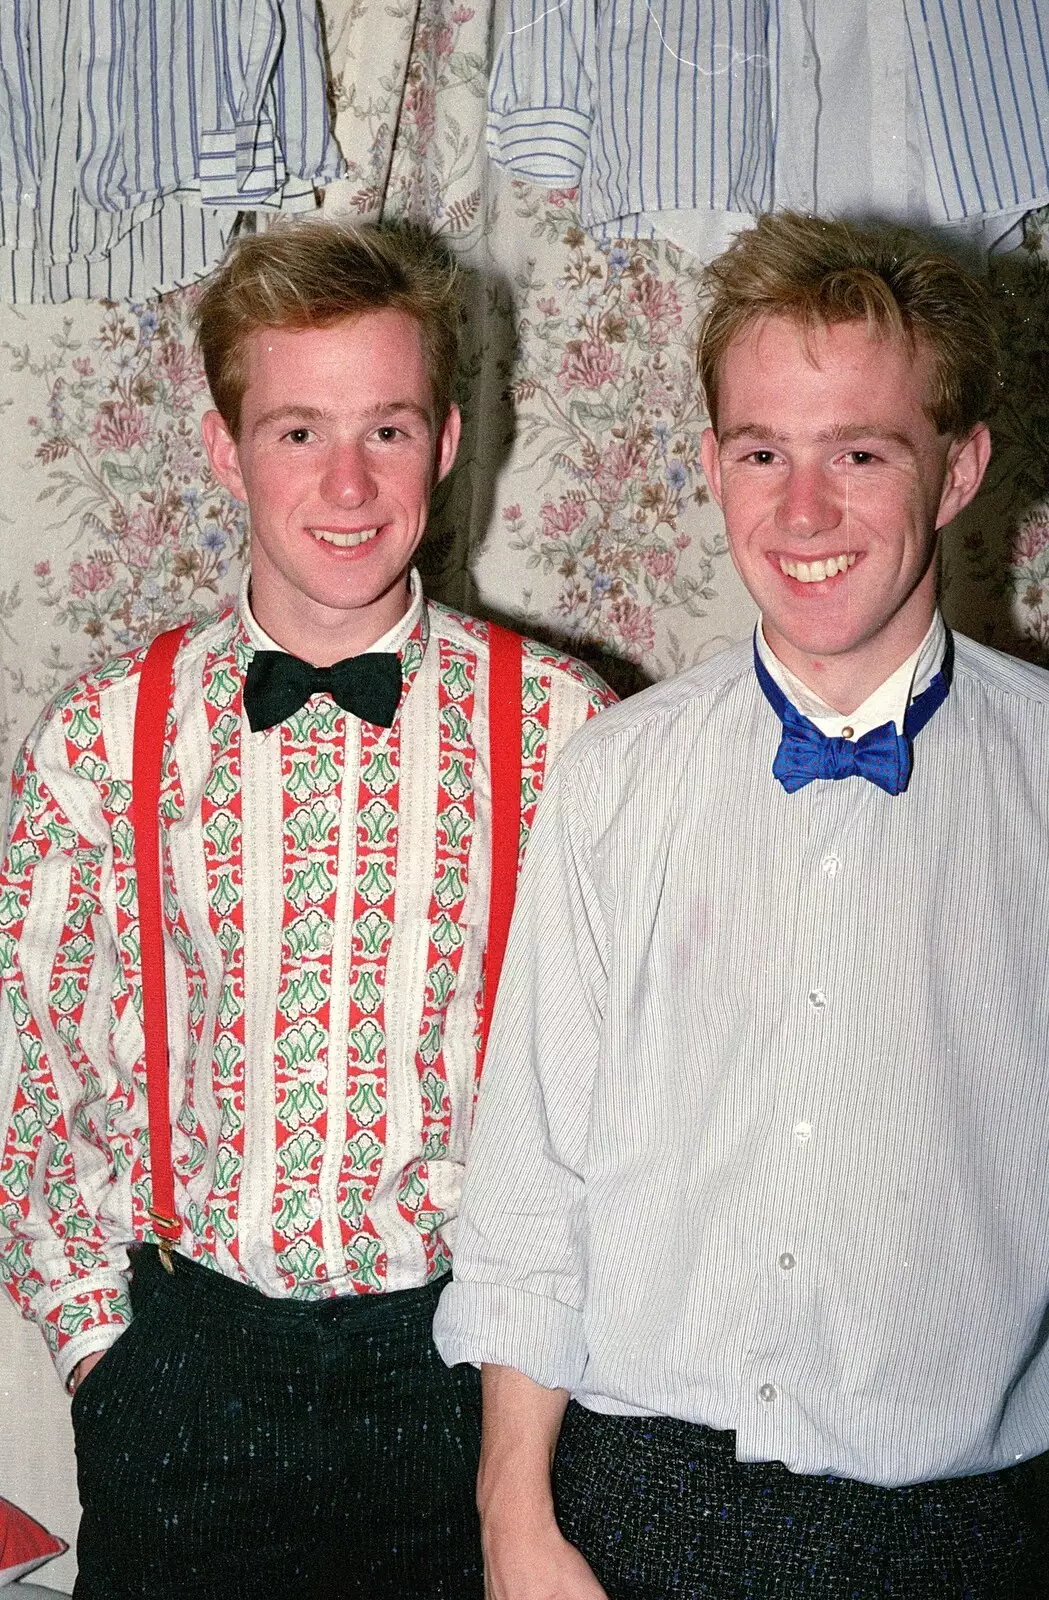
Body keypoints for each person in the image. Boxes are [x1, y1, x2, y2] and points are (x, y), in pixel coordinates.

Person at [433, 211, 1049, 1599]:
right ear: (712, 466)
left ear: (960, 471)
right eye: (762, 452)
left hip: (971, 1527)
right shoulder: (616, 778)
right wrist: (516, 1522)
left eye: (861, 453)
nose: (803, 510)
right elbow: (534, 1186)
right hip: (646, 1511)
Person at [0, 219, 615, 1600]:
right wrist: (110, 1359)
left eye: (388, 429)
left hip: (473, 1379)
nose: (348, 481)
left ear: (449, 441)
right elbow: (42, 1090)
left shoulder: (571, 735)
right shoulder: (102, 740)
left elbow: (619, 1100)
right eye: (295, 432)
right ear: (224, 449)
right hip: (190, 1381)